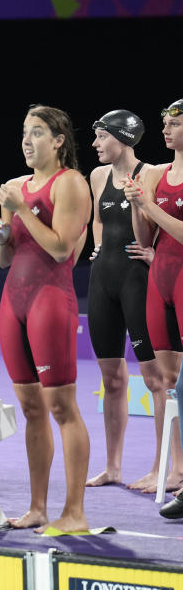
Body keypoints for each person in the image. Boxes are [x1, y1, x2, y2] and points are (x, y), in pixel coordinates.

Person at [0, 104, 91, 533]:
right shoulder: (16, 186)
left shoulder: (71, 185)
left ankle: (75, 512)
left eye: (36, 133)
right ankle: (38, 508)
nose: (27, 141)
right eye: (24, 133)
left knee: (61, 406)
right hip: (13, 302)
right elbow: (3, 259)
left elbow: (61, 250)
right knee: (32, 407)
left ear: (58, 141)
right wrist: (0, 236)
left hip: (51, 301)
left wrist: (22, 210)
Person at [84, 109, 168, 489]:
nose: (95, 144)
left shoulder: (150, 174)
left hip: (138, 281)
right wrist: (99, 246)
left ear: (123, 138)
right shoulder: (97, 175)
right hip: (103, 281)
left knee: (156, 378)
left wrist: (156, 254)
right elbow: (98, 221)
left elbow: (157, 221)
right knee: (111, 378)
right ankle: (113, 467)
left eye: (102, 137)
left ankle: (163, 466)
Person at [123, 99, 183, 517]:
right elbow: (146, 236)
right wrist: (135, 204)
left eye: (174, 122)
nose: (166, 128)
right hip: (160, 280)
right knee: (167, 381)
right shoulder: (159, 173)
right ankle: (177, 471)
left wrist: (149, 206)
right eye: (164, 121)